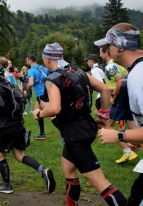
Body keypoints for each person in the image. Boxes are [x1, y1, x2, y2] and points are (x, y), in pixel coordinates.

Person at [33, 43, 127, 206]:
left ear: (47, 59)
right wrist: (104, 116)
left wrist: (39, 113)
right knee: (68, 168)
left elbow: (55, 108)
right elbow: (104, 89)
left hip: (75, 134)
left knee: (99, 182)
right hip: (85, 126)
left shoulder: (53, 79)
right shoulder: (79, 71)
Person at [0, 64, 56, 194]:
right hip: (18, 124)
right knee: (20, 155)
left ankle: (6, 185)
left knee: (0, 155)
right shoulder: (10, 84)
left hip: (4, 127)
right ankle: (42, 170)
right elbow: (22, 98)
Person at [96, 23, 143, 205]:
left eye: (109, 45)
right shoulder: (136, 72)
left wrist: (118, 135)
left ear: (121, 46)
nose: (107, 50)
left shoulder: (138, 75)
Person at [97, 44, 136, 164]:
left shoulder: (110, 67)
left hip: (120, 98)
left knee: (107, 125)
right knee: (134, 129)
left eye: (101, 52)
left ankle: (128, 151)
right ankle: (132, 147)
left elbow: (121, 81)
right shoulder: (119, 65)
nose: (100, 55)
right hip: (127, 97)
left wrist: (113, 96)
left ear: (107, 53)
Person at [25, 54, 49, 140]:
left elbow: (30, 83)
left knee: (51, 115)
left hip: (41, 95)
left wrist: (26, 90)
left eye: (27, 60)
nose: (27, 61)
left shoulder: (31, 70)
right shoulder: (43, 68)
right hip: (47, 92)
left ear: (30, 60)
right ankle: (42, 133)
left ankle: (65, 134)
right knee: (37, 112)